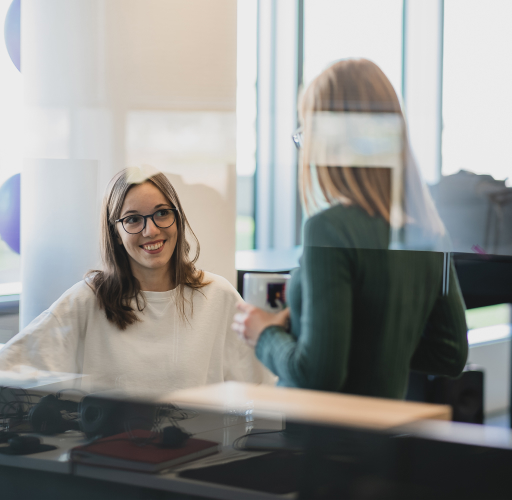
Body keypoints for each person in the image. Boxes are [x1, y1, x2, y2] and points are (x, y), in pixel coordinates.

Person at [233, 58, 468, 399]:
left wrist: (264, 334)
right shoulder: (429, 233)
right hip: (384, 442)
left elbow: (317, 375)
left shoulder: (329, 230)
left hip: (321, 444)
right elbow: (450, 354)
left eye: (307, 133)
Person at [0, 167, 273, 393]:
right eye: (132, 219)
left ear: (177, 218)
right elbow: (12, 365)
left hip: (203, 455)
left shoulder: (217, 295)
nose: (151, 230)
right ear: (115, 232)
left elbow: (265, 388)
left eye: (162, 213)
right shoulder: (87, 300)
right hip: (109, 456)